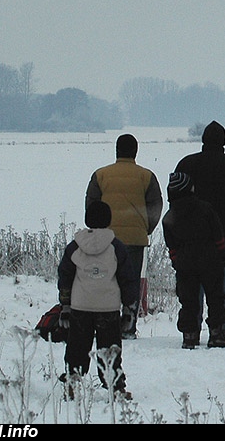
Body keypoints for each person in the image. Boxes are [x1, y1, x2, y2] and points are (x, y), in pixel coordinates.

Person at [175, 121, 225, 343]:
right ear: (223, 142)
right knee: (224, 284)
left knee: (192, 284)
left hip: (189, 237)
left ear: (203, 140)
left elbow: (175, 196)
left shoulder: (186, 164)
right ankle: (222, 329)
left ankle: (191, 331)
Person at [57, 201, 139, 399]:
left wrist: (65, 304)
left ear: (87, 220)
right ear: (109, 220)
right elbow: (128, 278)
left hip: (80, 307)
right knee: (109, 350)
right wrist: (129, 306)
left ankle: (72, 383)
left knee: (77, 347)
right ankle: (116, 387)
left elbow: (65, 276)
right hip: (108, 308)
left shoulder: (75, 246)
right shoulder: (116, 247)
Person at [85, 133, 163, 339]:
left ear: (116, 150)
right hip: (135, 238)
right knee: (131, 282)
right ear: (136, 151)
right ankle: (128, 325)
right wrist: (145, 227)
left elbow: (91, 204)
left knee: (104, 280)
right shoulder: (147, 176)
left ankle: (105, 324)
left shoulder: (101, 175)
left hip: (104, 239)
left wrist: (95, 229)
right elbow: (156, 205)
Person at [161, 171, 225, 349]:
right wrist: (221, 254)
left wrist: (176, 260)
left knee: (188, 299)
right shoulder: (205, 208)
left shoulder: (170, 216)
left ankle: (189, 335)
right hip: (210, 259)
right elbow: (218, 234)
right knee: (215, 297)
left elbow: (172, 245)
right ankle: (216, 333)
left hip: (185, 262)